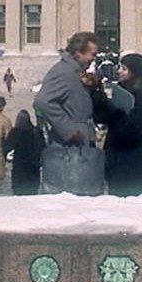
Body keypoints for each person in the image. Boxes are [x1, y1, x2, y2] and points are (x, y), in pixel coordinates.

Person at [33, 31, 103, 195]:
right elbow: (43, 101)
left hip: (81, 142)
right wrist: (68, 128)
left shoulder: (75, 71)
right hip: (69, 145)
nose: (93, 58)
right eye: (91, 54)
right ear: (78, 52)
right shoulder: (63, 72)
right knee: (70, 193)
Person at [93, 53, 142, 197]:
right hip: (123, 169)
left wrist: (112, 112)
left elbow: (128, 130)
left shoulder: (140, 99)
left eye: (124, 69)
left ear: (136, 73)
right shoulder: (123, 93)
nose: (119, 71)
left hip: (138, 175)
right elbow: (106, 116)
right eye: (119, 67)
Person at [6, 110, 45, 196]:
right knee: (32, 190)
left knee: (19, 191)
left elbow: (7, 146)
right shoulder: (36, 131)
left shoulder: (15, 132)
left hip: (19, 165)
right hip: (33, 165)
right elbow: (43, 146)